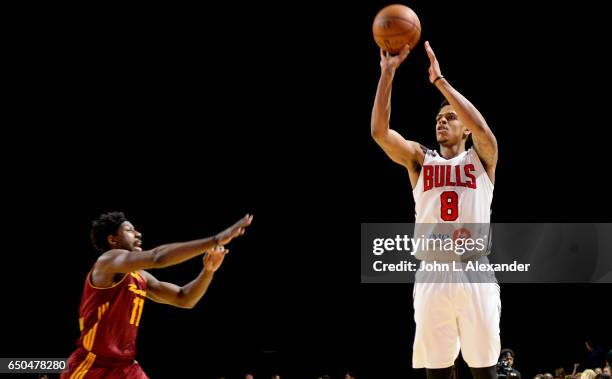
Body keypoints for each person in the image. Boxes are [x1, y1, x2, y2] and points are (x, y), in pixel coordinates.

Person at [371, 40, 499, 379]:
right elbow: (379, 133)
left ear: (466, 130)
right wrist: (387, 74)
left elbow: (483, 129)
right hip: (432, 272)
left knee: (485, 370)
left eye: (451, 118)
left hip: (475, 272)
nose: (442, 122)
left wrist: (440, 82)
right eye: (439, 118)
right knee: (437, 371)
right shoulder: (419, 159)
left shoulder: (482, 158)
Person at [61, 211, 253, 378]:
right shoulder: (107, 262)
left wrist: (208, 271)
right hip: (93, 366)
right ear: (113, 240)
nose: (138, 233)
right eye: (129, 230)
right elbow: (157, 257)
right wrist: (216, 239)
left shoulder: (139, 276)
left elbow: (184, 298)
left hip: (125, 367)